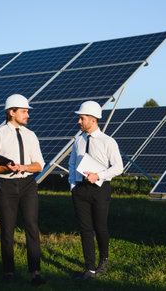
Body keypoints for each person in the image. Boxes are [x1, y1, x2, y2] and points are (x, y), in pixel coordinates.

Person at [0, 94, 46, 286]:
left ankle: (35, 272)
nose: (28, 115)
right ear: (12, 112)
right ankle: (8, 271)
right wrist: (5, 168)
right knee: (7, 230)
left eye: (27, 111)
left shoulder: (31, 135)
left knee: (32, 227)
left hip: (27, 184)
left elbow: (40, 165)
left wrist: (24, 167)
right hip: (7, 185)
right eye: (24, 111)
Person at [68, 101, 123, 281]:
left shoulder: (108, 142)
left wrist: (98, 176)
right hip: (80, 190)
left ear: (92, 120)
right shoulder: (78, 141)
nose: (79, 121)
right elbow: (72, 164)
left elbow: (118, 167)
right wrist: (73, 186)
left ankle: (103, 260)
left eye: (82, 118)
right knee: (85, 230)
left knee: (100, 227)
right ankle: (89, 269)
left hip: (100, 189)